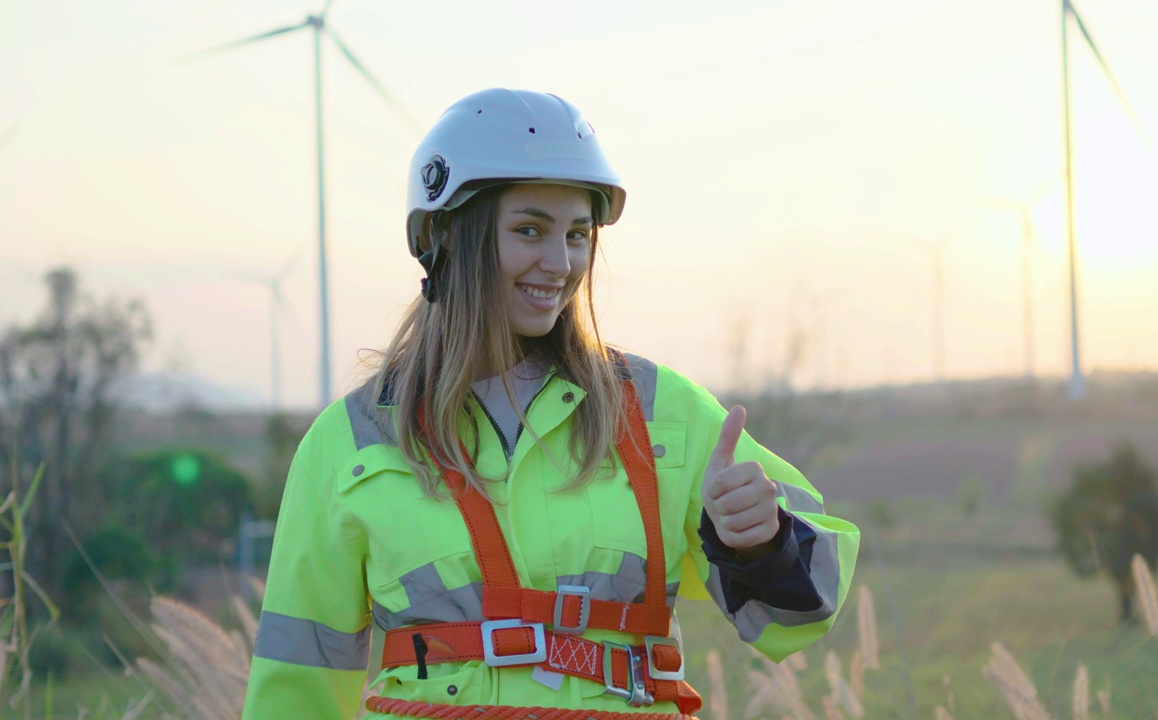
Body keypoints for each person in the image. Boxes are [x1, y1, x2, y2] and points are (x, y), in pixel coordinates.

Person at [242, 88, 860, 720]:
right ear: (444, 235)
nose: (561, 263)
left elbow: (806, 613)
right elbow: (297, 682)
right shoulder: (349, 440)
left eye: (578, 234)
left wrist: (763, 541)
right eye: (529, 229)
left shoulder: (659, 412)